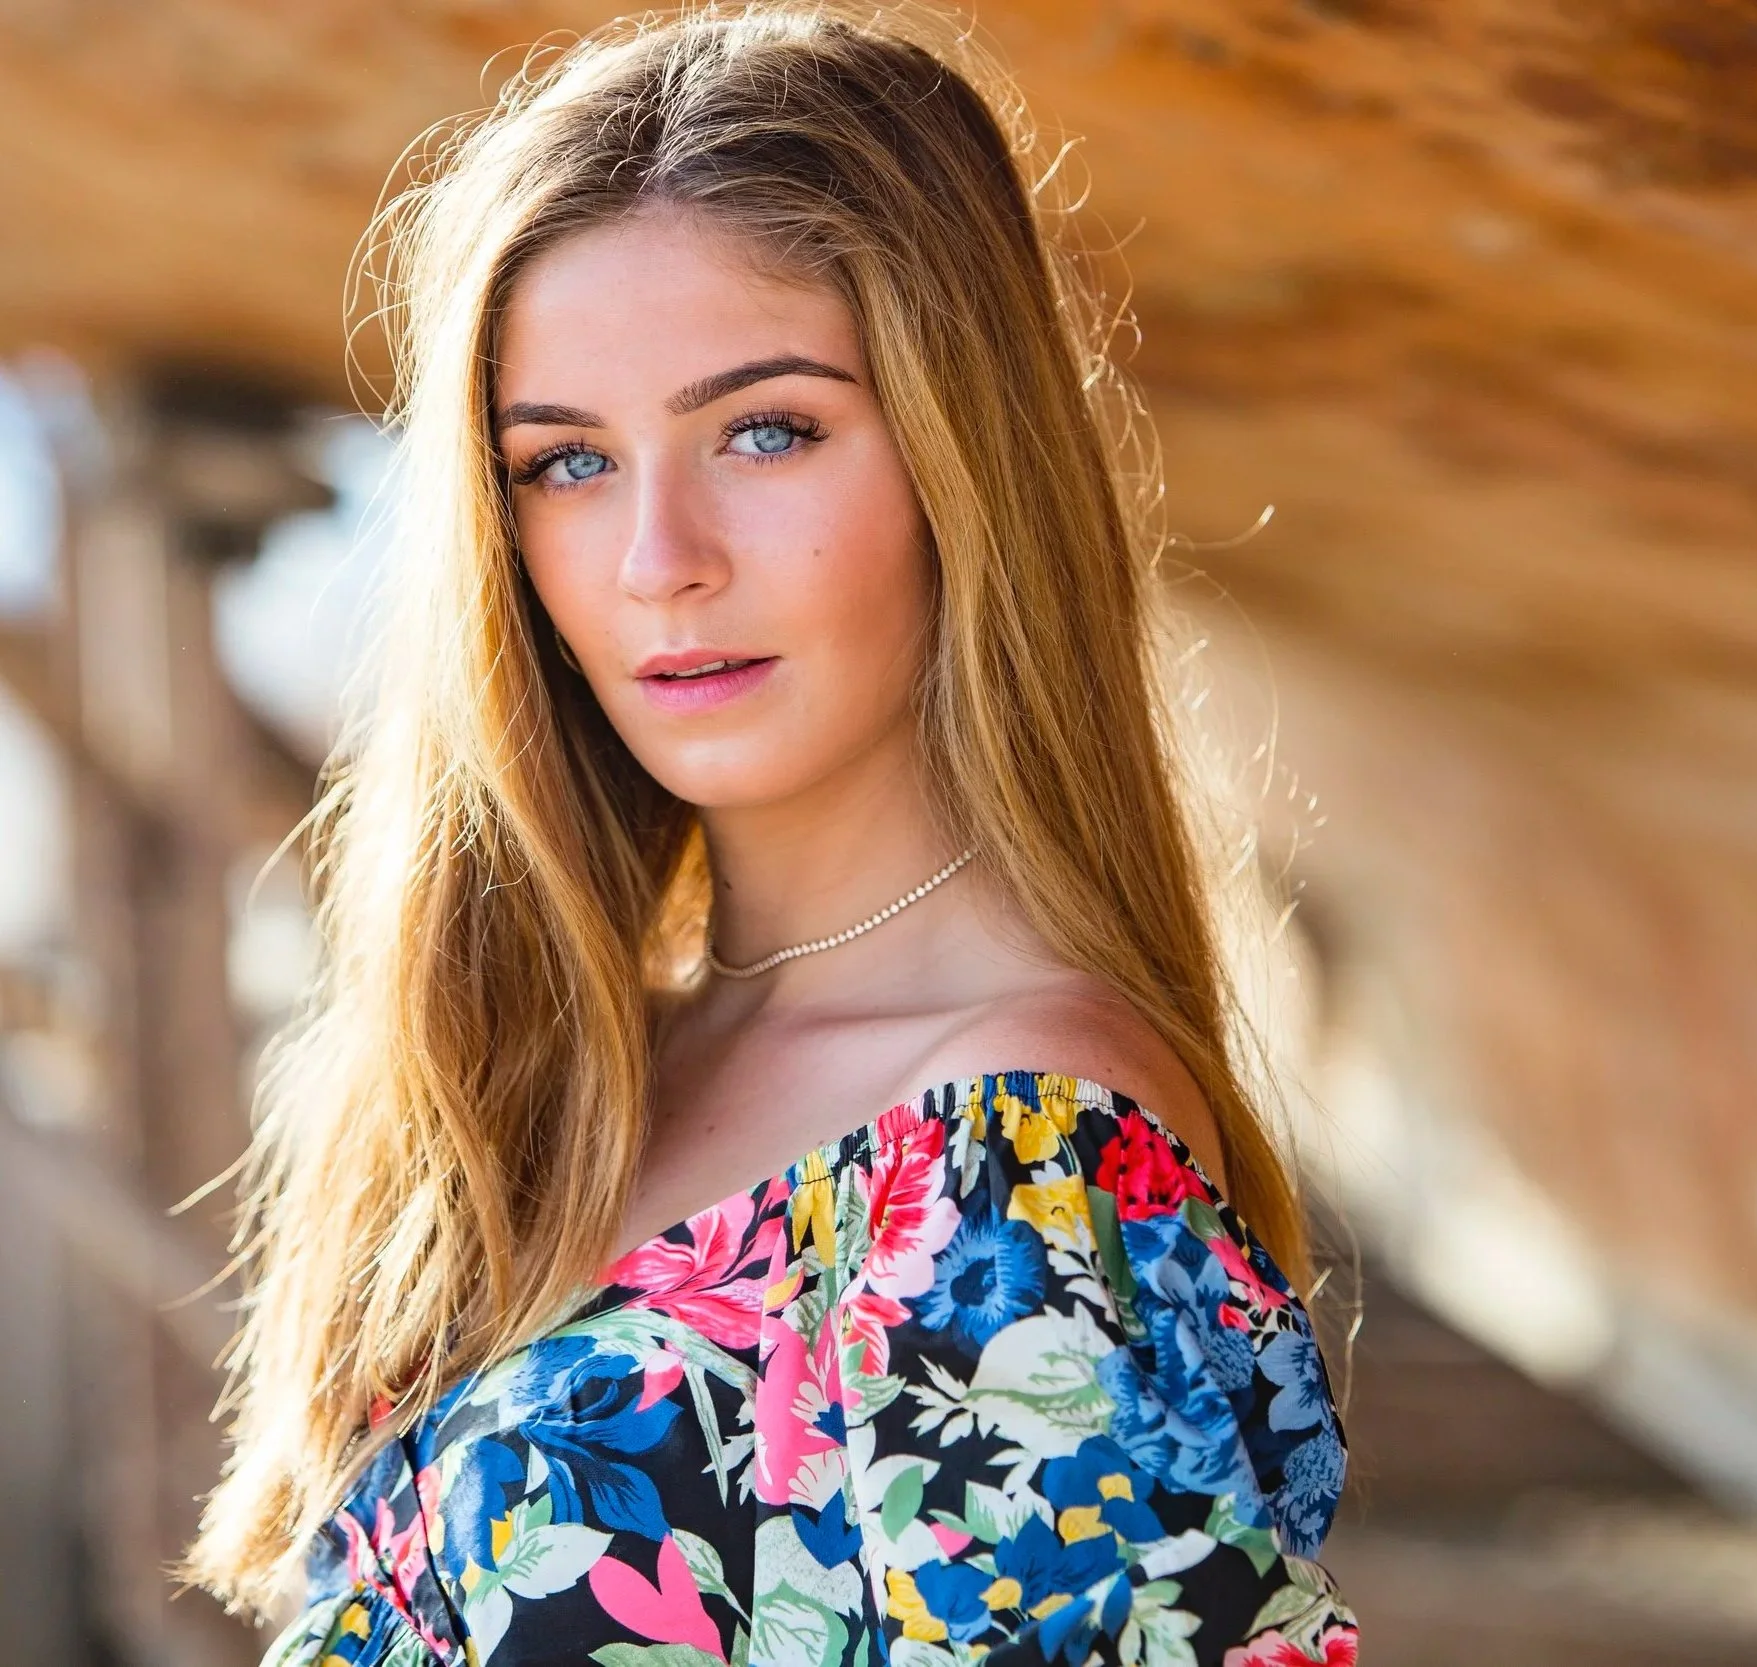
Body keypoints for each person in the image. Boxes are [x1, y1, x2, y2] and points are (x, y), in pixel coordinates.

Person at [181, 6, 1361, 1664]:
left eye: (765, 429)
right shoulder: (545, 1070)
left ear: (968, 458)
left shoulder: (1014, 1161)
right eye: (568, 461)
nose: (657, 556)